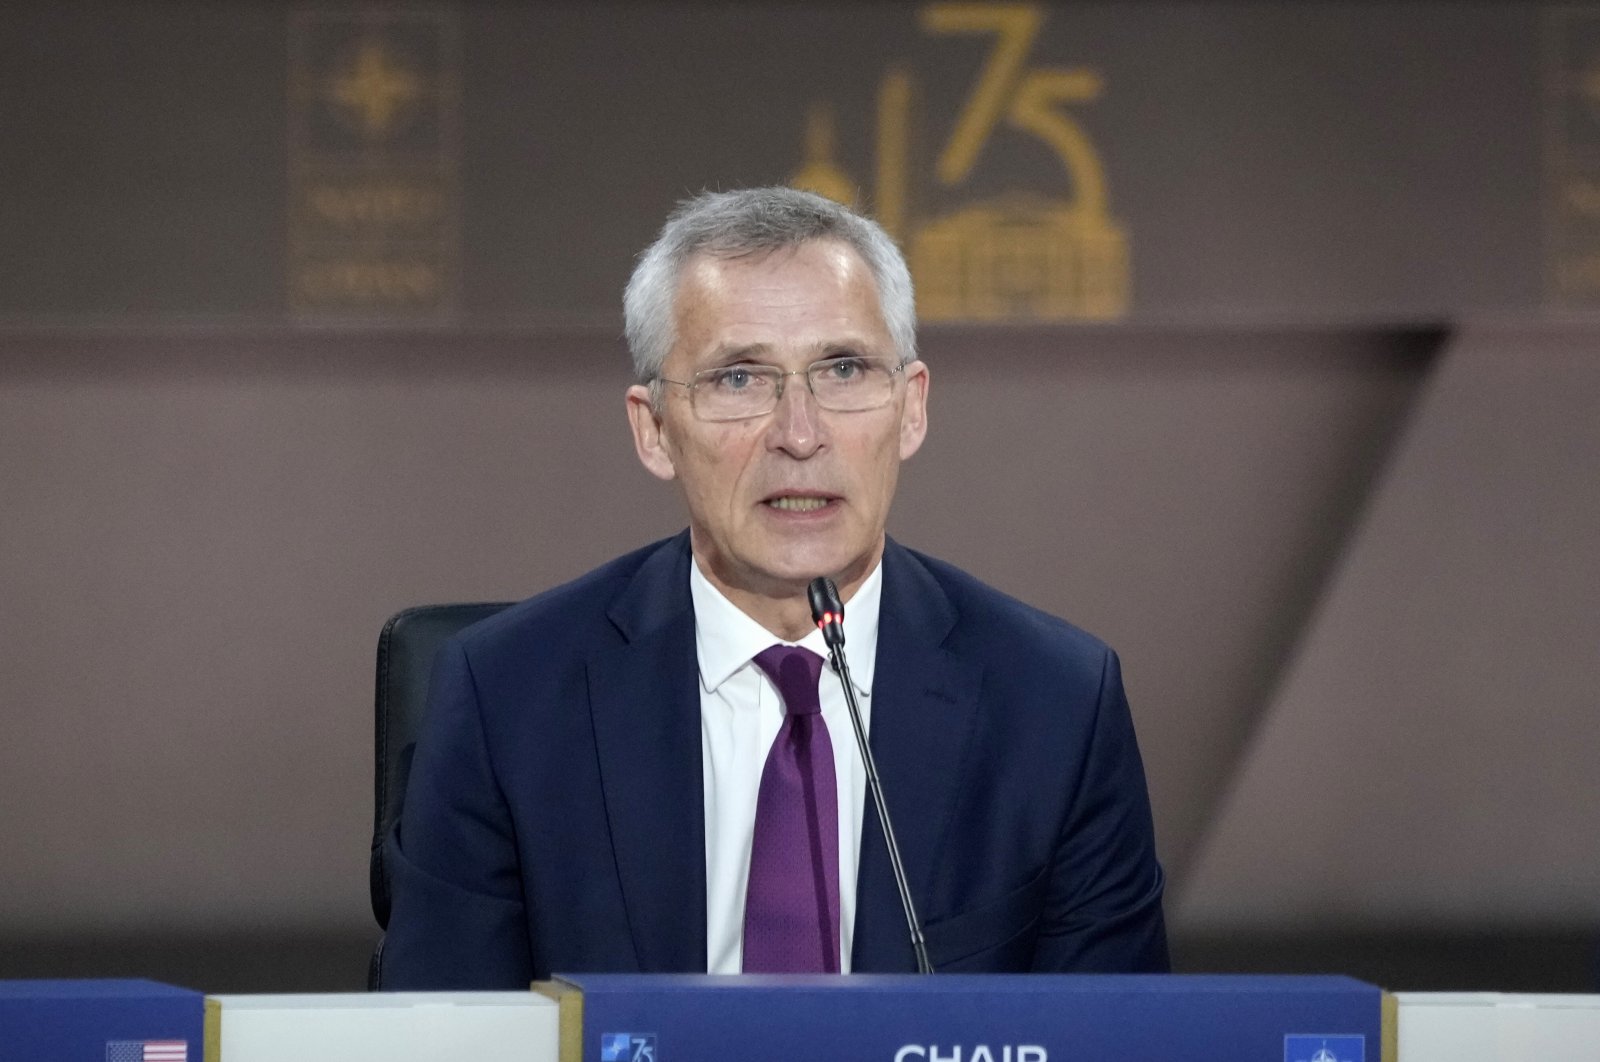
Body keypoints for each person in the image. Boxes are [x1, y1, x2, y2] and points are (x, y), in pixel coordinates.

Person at [380, 187, 1168, 988]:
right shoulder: (506, 698)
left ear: (912, 408)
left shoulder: (1056, 704)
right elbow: (444, 1037)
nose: (799, 434)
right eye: (738, 380)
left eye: (844, 368)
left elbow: (1116, 1040)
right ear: (654, 430)